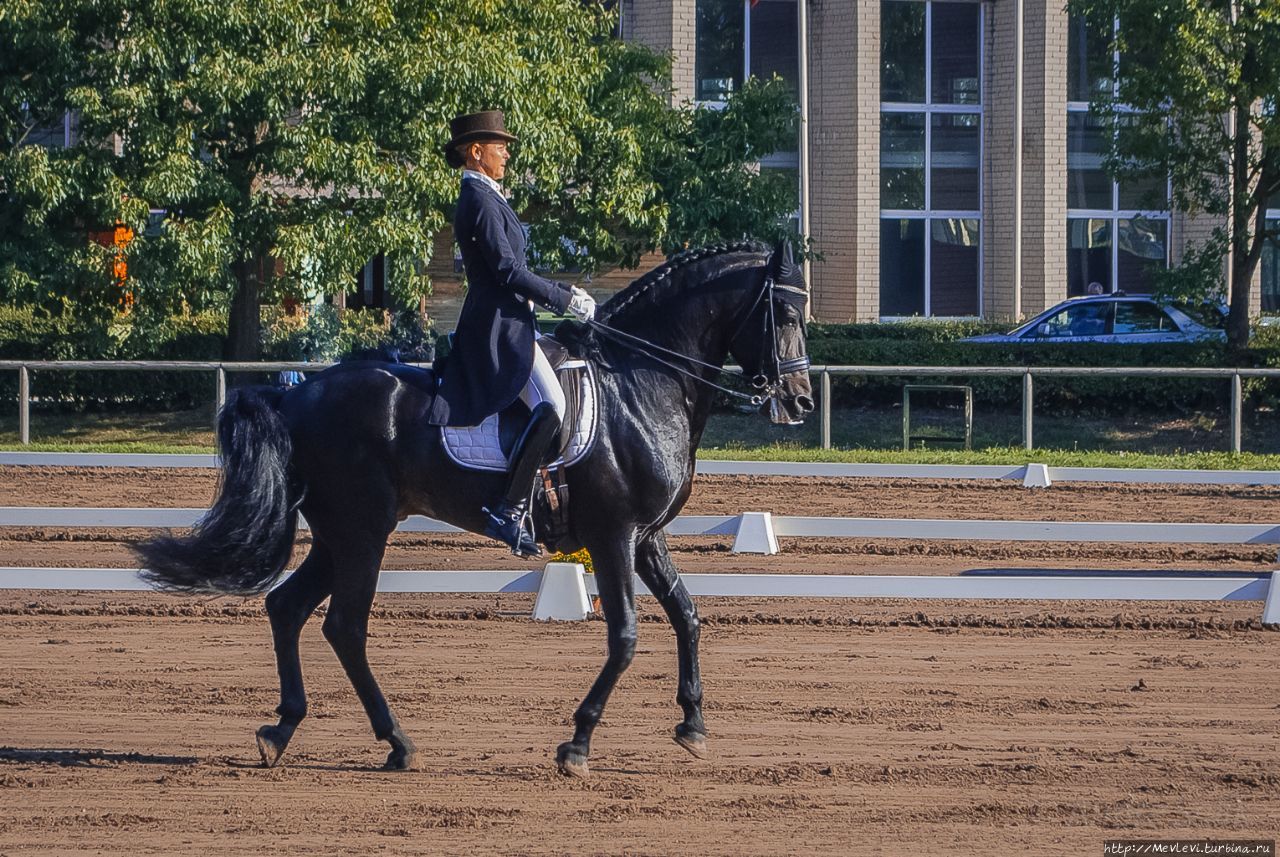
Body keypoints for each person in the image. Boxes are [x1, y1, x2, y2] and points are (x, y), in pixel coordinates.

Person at [428, 110, 596, 557]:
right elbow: (506, 270)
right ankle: (509, 506)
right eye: (499, 147)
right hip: (496, 330)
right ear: (476, 152)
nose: (506, 154)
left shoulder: (489, 196)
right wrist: (563, 298)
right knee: (553, 405)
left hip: (512, 321)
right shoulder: (478, 199)